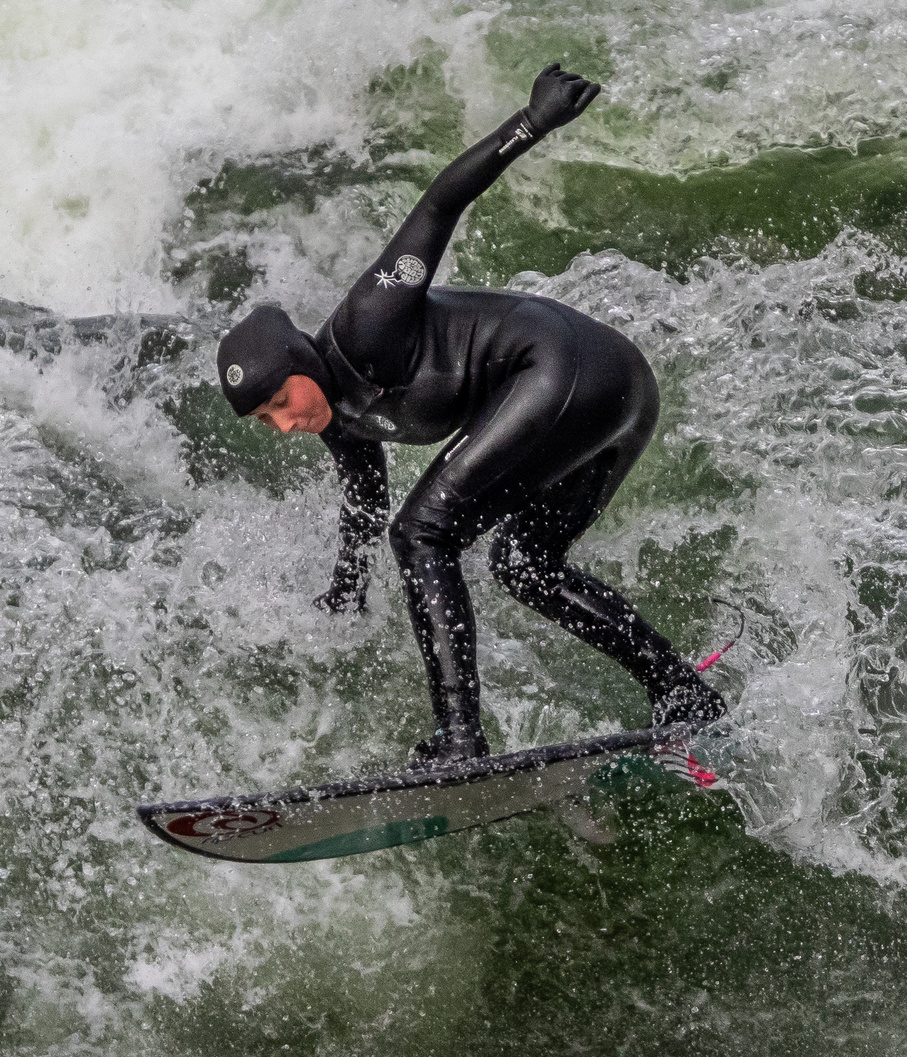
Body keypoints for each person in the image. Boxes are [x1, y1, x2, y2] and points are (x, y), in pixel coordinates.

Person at [214, 63, 726, 767]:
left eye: (279, 401)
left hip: (570, 370)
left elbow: (436, 208)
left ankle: (460, 738)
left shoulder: (367, 324)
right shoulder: (339, 419)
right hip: (613, 397)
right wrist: (346, 589)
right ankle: (680, 691)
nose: (282, 422)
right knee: (524, 564)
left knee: (424, 534)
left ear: (301, 363)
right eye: (266, 418)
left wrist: (531, 121)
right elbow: (364, 501)